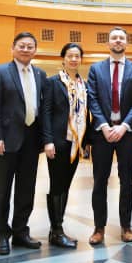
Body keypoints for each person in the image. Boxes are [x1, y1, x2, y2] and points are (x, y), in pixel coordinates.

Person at [0, 32, 48, 255]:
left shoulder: (40, 74)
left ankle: (21, 232)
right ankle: (2, 234)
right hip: (6, 141)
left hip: (31, 141)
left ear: (35, 50)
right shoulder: (0, 71)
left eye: (30, 46)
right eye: (22, 45)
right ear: (12, 48)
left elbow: (42, 108)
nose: (26, 49)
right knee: (3, 190)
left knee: (26, 190)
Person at [87, 27, 132, 244]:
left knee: (127, 181)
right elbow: (92, 98)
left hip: (127, 133)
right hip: (101, 134)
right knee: (99, 181)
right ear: (108, 43)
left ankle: (126, 226)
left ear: (126, 43)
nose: (118, 41)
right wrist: (104, 126)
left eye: (122, 38)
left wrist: (123, 126)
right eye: (114, 38)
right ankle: (98, 228)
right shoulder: (96, 69)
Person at [41, 42, 87, 249]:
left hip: (75, 144)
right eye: (70, 56)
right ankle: (56, 230)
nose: (74, 59)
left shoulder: (83, 85)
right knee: (57, 185)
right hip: (58, 142)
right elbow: (46, 112)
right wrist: (48, 140)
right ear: (63, 58)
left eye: (77, 56)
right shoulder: (53, 82)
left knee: (65, 185)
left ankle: (57, 229)